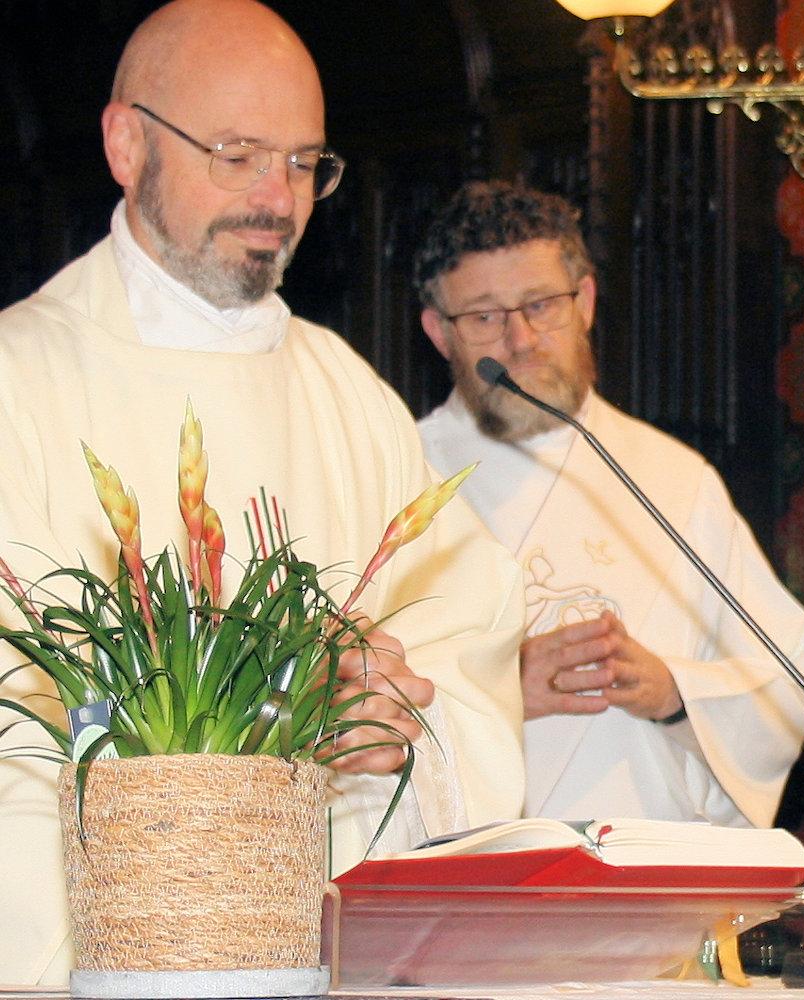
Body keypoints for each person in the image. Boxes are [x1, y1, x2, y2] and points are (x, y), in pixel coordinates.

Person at [0, 3, 525, 985]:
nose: (276, 200)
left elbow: (470, 647)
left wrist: (396, 710)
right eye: (237, 154)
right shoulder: (19, 382)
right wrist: (271, 723)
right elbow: (19, 706)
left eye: (303, 163)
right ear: (126, 143)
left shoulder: (348, 396)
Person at [416, 180, 804, 831]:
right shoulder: (399, 478)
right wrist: (499, 690)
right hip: (469, 892)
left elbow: (783, 695)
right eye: (486, 317)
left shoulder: (673, 481)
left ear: (587, 303)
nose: (520, 340)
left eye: (542, 304)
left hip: (647, 887)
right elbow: (340, 711)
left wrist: (677, 695)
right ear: (440, 333)